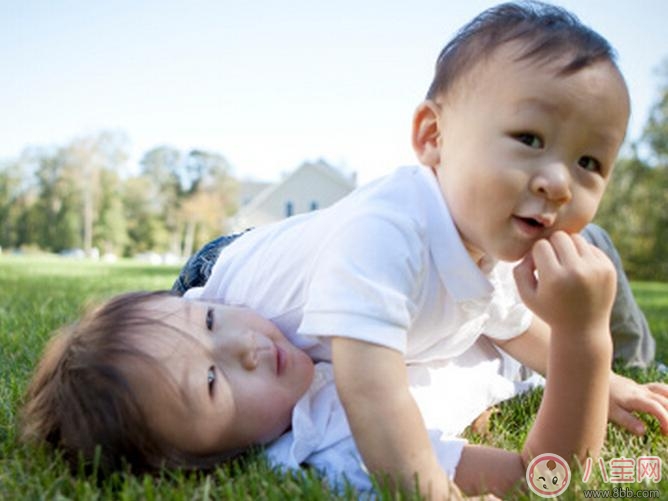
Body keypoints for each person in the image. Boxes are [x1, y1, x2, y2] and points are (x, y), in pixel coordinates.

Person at [21, 1, 668, 498]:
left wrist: (595, 363)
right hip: (399, 303)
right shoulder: (330, 436)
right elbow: (545, 476)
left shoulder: (384, 239)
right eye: (214, 382)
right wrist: (583, 347)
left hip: (227, 269)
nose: (560, 179)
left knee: (580, 254)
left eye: (589, 160)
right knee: (577, 269)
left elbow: (411, 380)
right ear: (209, 456)